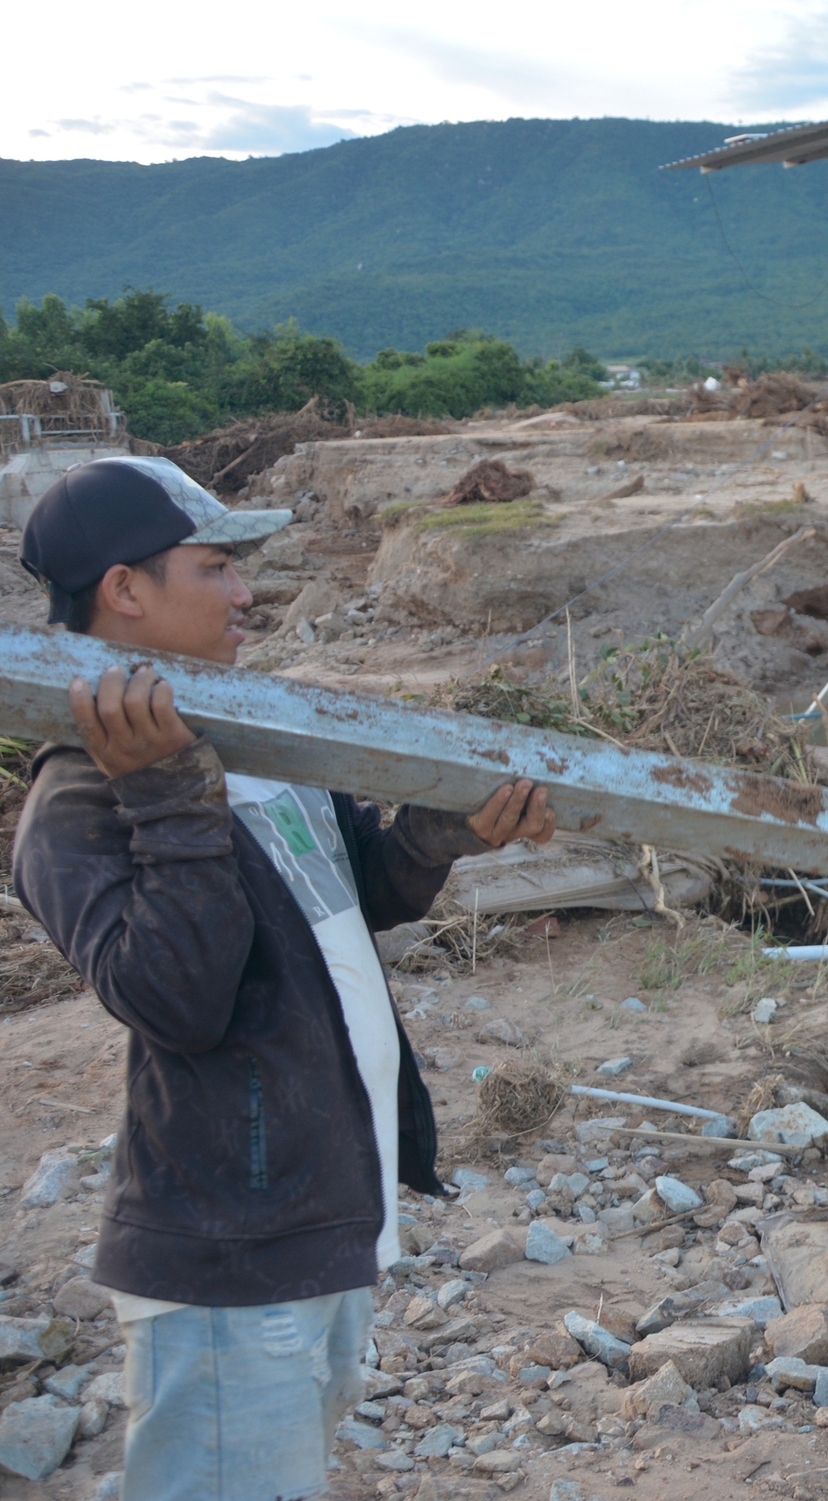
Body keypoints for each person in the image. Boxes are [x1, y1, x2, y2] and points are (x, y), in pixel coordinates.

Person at [11, 456, 558, 1500]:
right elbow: (177, 998)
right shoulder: (80, 799)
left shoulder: (242, 736)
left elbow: (352, 887)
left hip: (317, 1217)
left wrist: (440, 833)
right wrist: (169, 795)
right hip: (227, 1253)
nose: (244, 592)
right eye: (214, 566)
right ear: (125, 589)